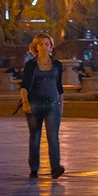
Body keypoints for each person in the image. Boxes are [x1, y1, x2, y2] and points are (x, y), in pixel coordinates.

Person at [14, 35, 68, 177]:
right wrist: (25, 102)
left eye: (47, 44)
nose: (44, 47)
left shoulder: (57, 65)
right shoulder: (31, 64)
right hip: (34, 104)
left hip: (52, 104)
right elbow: (24, 85)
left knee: (53, 136)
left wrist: (61, 104)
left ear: (51, 47)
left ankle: (55, 167)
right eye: (41, 44)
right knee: (35, 136)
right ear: (36, 47)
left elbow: (59, 86)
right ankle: (34, 168)